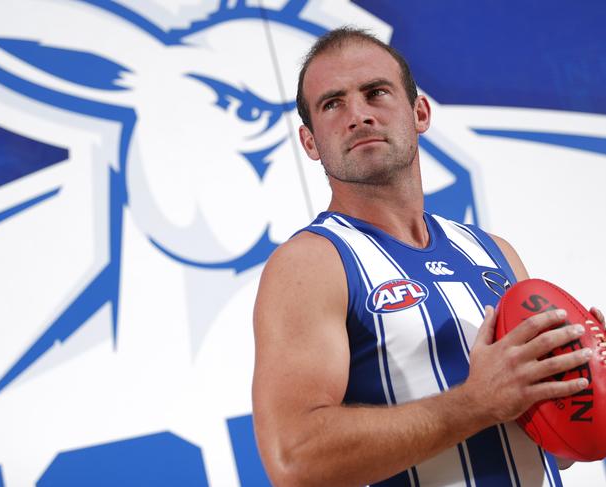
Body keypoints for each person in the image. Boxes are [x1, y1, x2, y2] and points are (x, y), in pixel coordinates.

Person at [252, 27, 604, 487]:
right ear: (310, 142)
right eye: (332, 104)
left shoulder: (493, 251)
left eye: (376, 93)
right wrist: (476, 403)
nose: (358, 116)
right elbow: (295, 459)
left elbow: (554, 451)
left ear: (419, 112)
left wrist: (581, 380)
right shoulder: (311, 263)